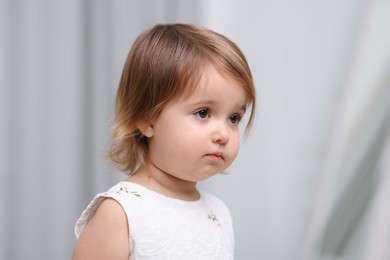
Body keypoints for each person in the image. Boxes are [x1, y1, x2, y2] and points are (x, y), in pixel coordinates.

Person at [72, 23, 256, 260]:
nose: (223, 133)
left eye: (234, 118)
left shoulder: (218, 213)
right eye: (203, 113)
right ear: (147, 118)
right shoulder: (121, 212)